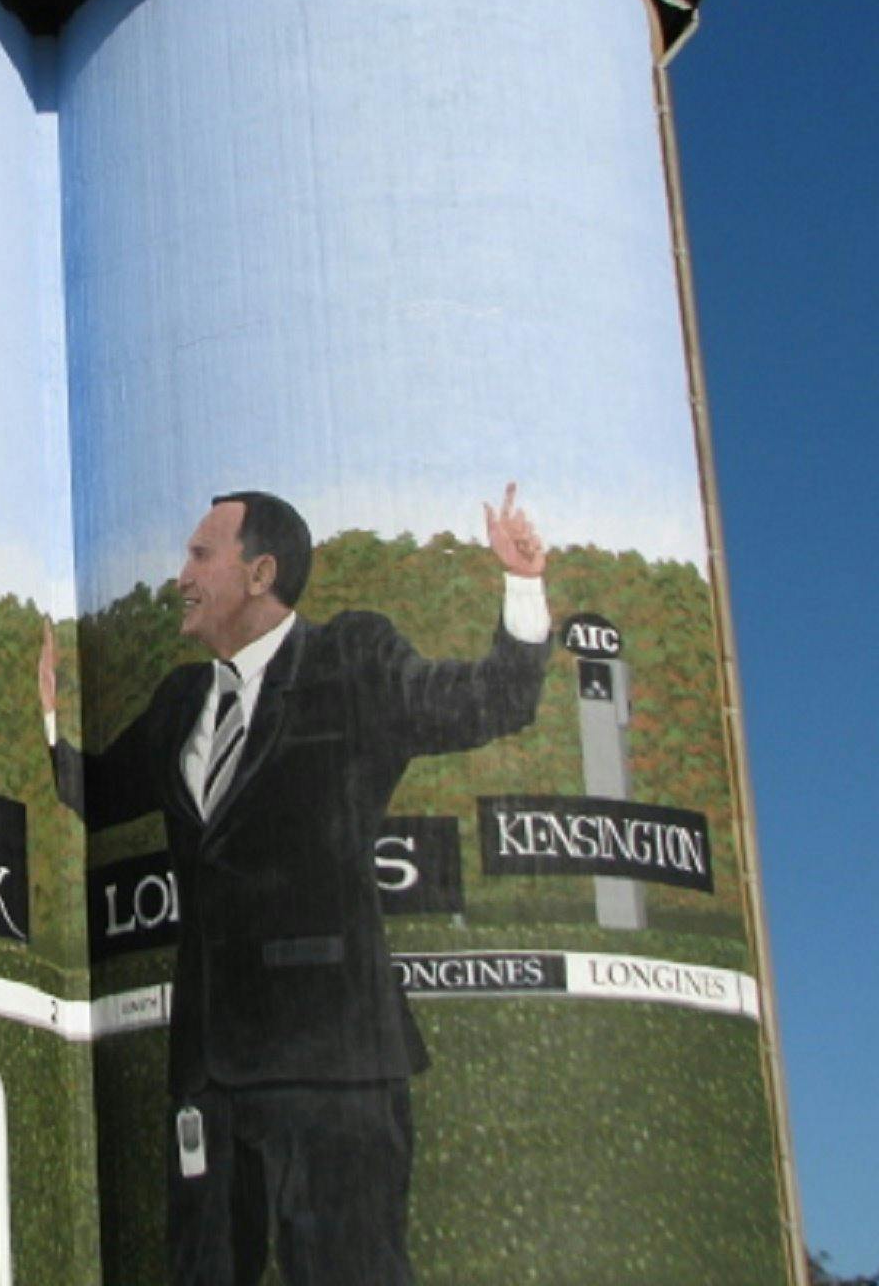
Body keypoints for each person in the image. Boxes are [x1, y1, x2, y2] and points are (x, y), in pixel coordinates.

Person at [40, 487, 551, 1286]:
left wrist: (522, 583)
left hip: (332, 1070)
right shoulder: (182, 701)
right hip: (207, 1079)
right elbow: (101, 793)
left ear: (260, 573)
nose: (181, 576)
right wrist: (46, 719)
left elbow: (489, 701)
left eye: (200, 555)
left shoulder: (351, 659)